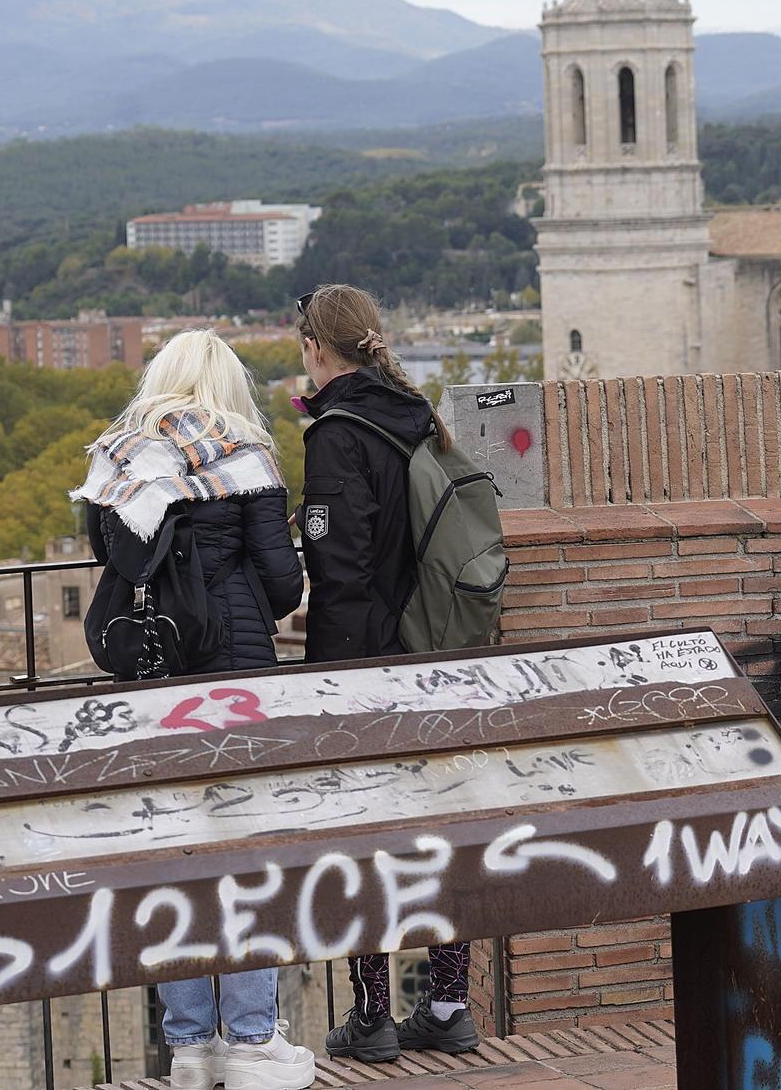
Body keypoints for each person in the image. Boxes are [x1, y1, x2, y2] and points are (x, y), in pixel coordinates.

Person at [72, 329, 314, 1090]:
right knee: (246, 852)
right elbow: (282, 580)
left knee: (173, 853)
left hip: (154, 679)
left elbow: (110, 558)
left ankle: (188, 1046)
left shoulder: (118, 455)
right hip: (235, 675)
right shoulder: (243, 454)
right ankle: (249, 1040)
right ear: (228, 383)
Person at [293, 284, 483, 1064]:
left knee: (364, 839)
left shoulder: (338, 431)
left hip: (370, 665)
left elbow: (340, 568)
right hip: (437, 653)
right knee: (435, 836)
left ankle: (371, 1013)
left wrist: (331, 676)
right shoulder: (415, 412)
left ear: (317, 347)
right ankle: (448, 1001)